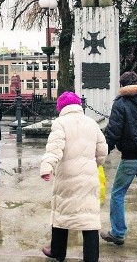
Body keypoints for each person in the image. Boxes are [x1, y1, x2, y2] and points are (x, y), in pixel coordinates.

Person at [40, 92, 108, 262]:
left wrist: (47, 167)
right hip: (89, 176)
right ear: (78, 105)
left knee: (62, 212)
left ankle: (58, 251)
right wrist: (95, 165)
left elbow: (54, 148)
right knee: (89, 217)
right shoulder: (92, 123)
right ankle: (91, 257)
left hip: (67, 177)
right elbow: (102, 150)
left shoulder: (60, 123)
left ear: (61, 107)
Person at [100, 71, 137, 254]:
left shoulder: (121, 103)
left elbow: (114, 131)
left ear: (122, 85)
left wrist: (103, 151)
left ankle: (118, 233)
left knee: (118, 194)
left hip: (130, 157)